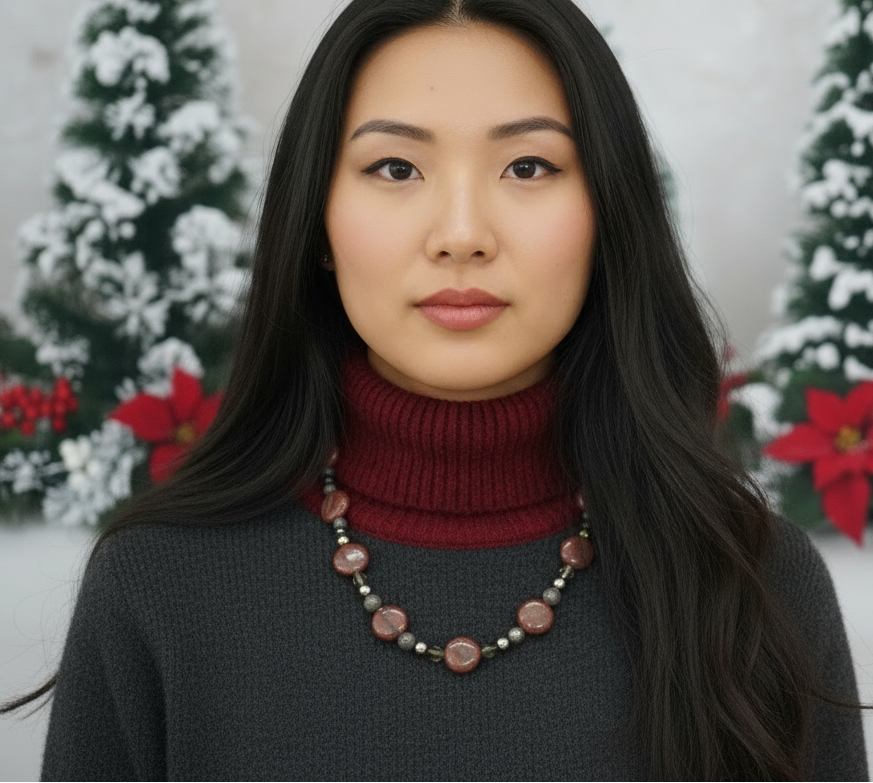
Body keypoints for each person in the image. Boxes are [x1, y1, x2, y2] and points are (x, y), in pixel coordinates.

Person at [5, 0, 868, 779]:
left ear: (608, 216)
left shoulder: (755, 583)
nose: (461, 235)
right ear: (317, 223)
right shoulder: (161, 583)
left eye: (528, 167)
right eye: (395, 169)